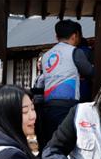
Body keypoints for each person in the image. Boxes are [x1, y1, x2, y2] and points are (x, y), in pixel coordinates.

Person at [39, 19, 94, 151]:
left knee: (50, 139)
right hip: (66, 105)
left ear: (56, 37)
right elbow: (89, 72)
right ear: (75, 36)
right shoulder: (75, 52)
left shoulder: (46, 55)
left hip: (48, 104)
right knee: (65, 141)